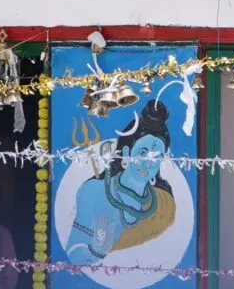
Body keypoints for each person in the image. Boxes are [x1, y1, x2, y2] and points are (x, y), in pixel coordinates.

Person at [64, 99, 176, 265]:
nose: (149, 162)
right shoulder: (93, 190)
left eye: (157, 156)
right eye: (143, 153)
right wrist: (97, 249)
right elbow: (73, 254)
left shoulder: (163, 205)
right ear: (126, 152)